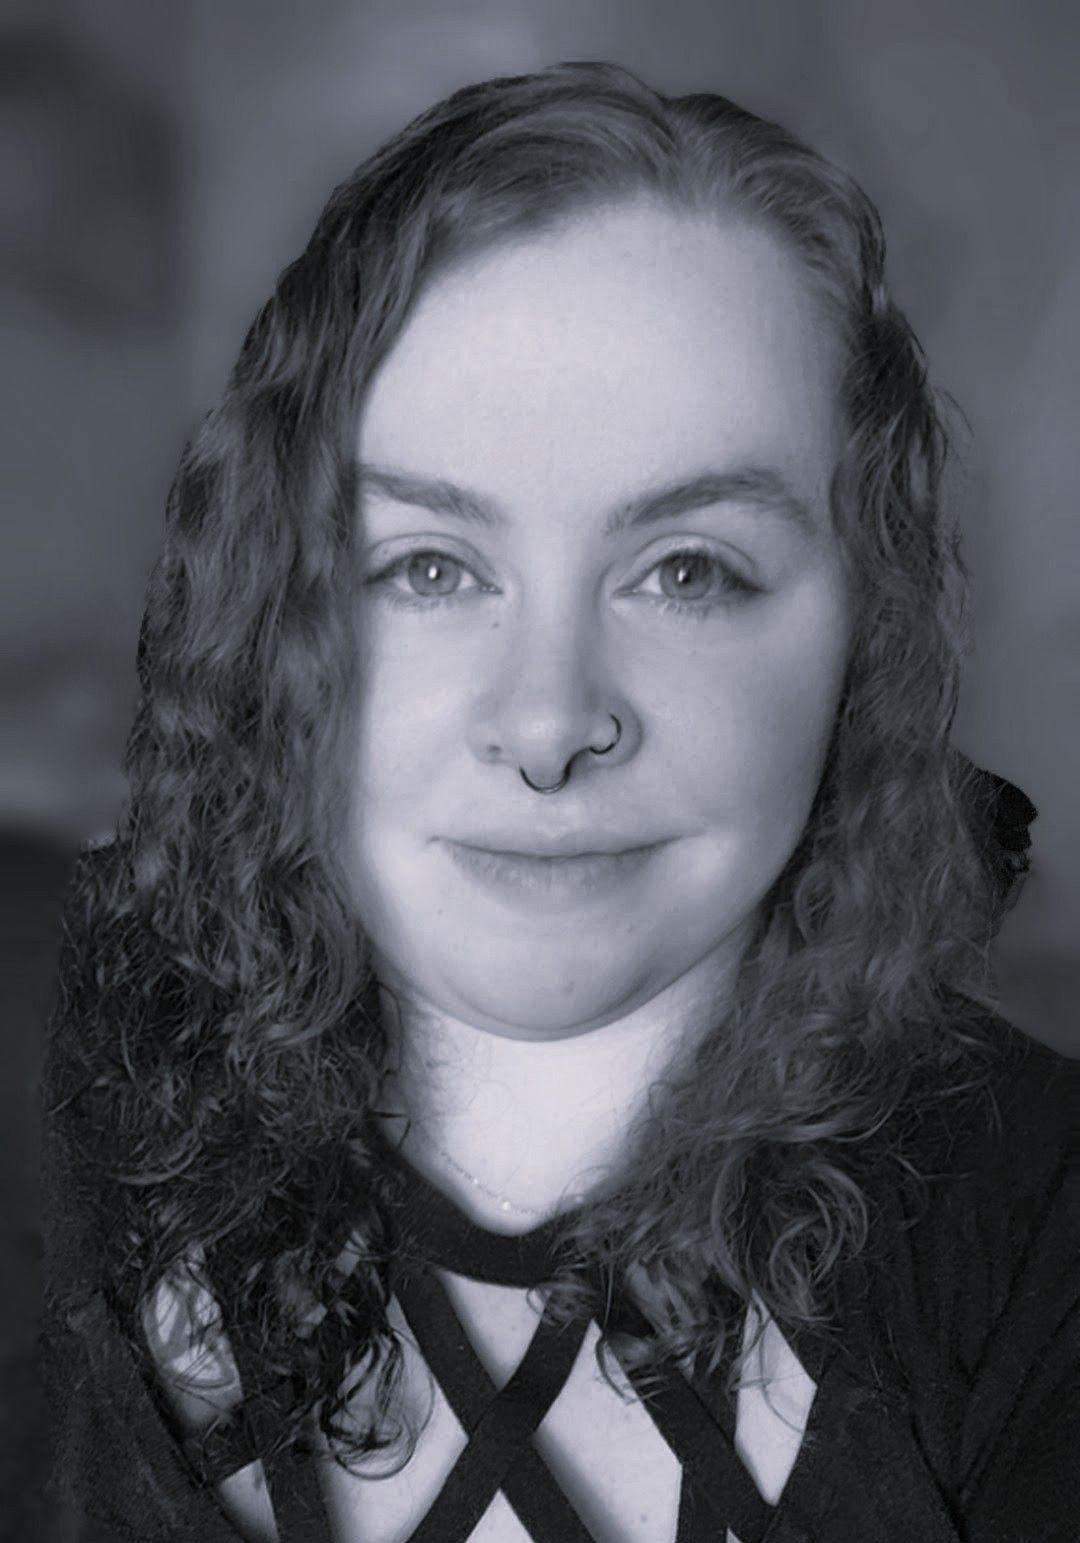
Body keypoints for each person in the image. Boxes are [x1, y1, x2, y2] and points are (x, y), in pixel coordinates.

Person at [39, 61, 1077, 1543]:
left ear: (867, 631)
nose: (547, 726)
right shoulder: (38, 1128)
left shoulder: (1043, 1228)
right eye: (430, 568)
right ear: (276, 607)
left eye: (688, 572)